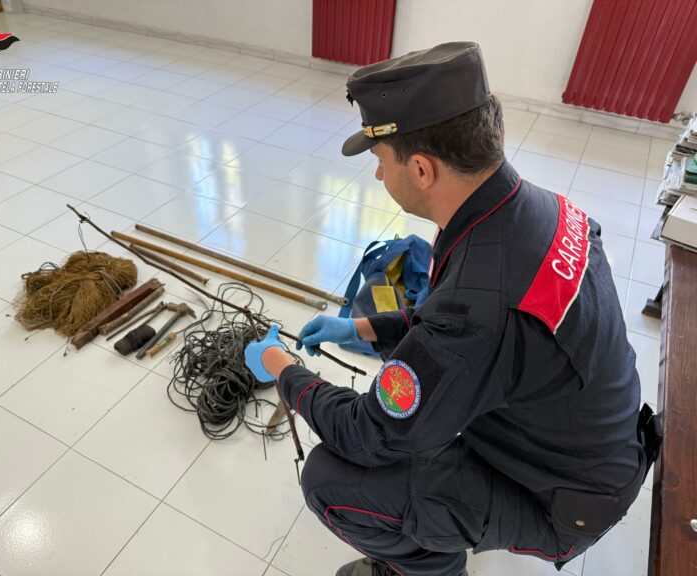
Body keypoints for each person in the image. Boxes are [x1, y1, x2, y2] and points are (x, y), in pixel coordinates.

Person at [244, 42, 654, 576]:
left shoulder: (479, 301)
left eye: (379, 162)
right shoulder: (529, 209)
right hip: (588, 451)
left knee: (329, 479)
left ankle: (424, 570)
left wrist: (280, 368)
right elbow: (450, 322)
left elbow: (371, 434)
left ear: (420, 168)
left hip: (566, 504)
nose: (377, 177)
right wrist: (359, 325)